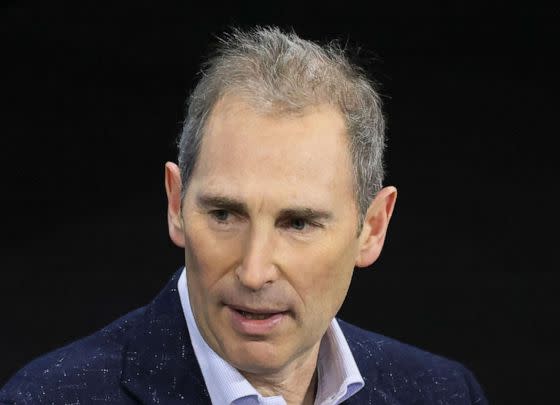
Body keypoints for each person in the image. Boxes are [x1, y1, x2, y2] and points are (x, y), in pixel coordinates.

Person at [1, 26, 487, 405]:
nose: (254, 272)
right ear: (176, 205)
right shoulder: (47, 398)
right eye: (225, 214)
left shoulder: (443, 393)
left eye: (298, 224)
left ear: (372, 228)